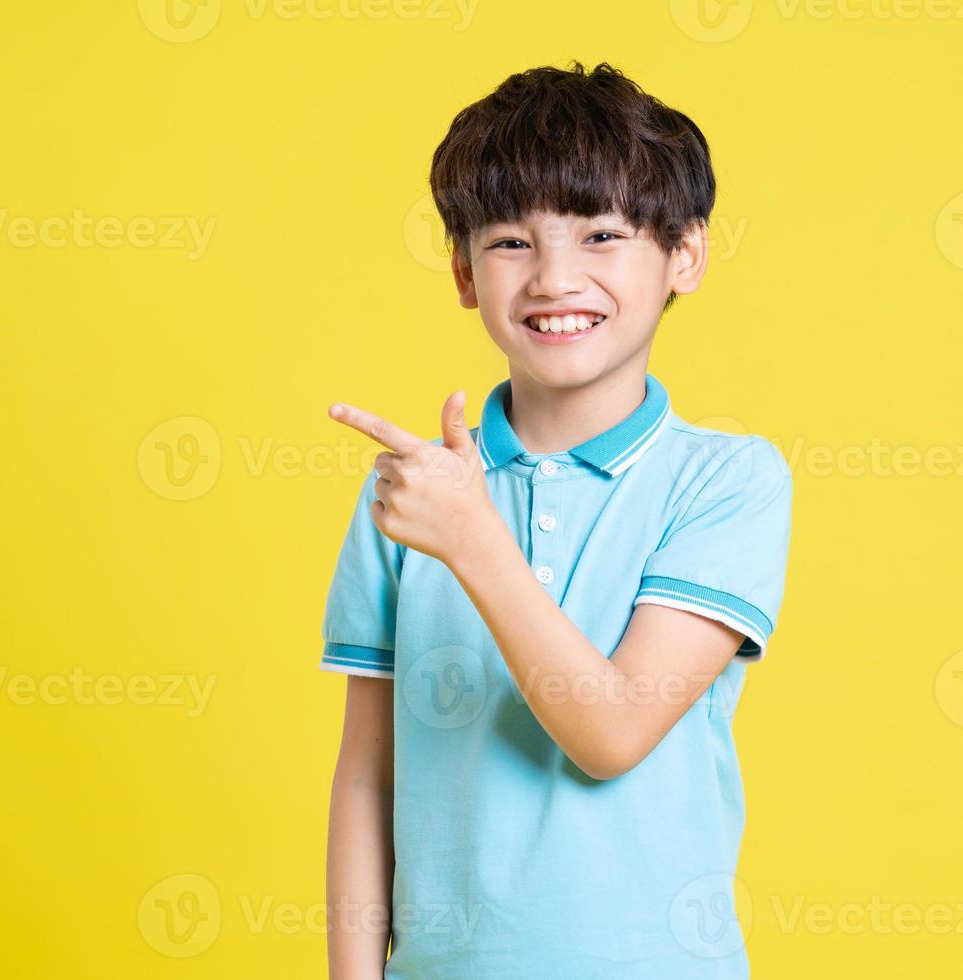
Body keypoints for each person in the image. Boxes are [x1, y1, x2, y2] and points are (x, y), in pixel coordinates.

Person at [320, 60, 793, 979]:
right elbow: (366, 775)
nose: (553, 278)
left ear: (683, 256)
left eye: (602, 234)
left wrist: (472, 539)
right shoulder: (415, 493)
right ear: (463, 271)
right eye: (509, 243)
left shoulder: (727, 480)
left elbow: (610, 734)